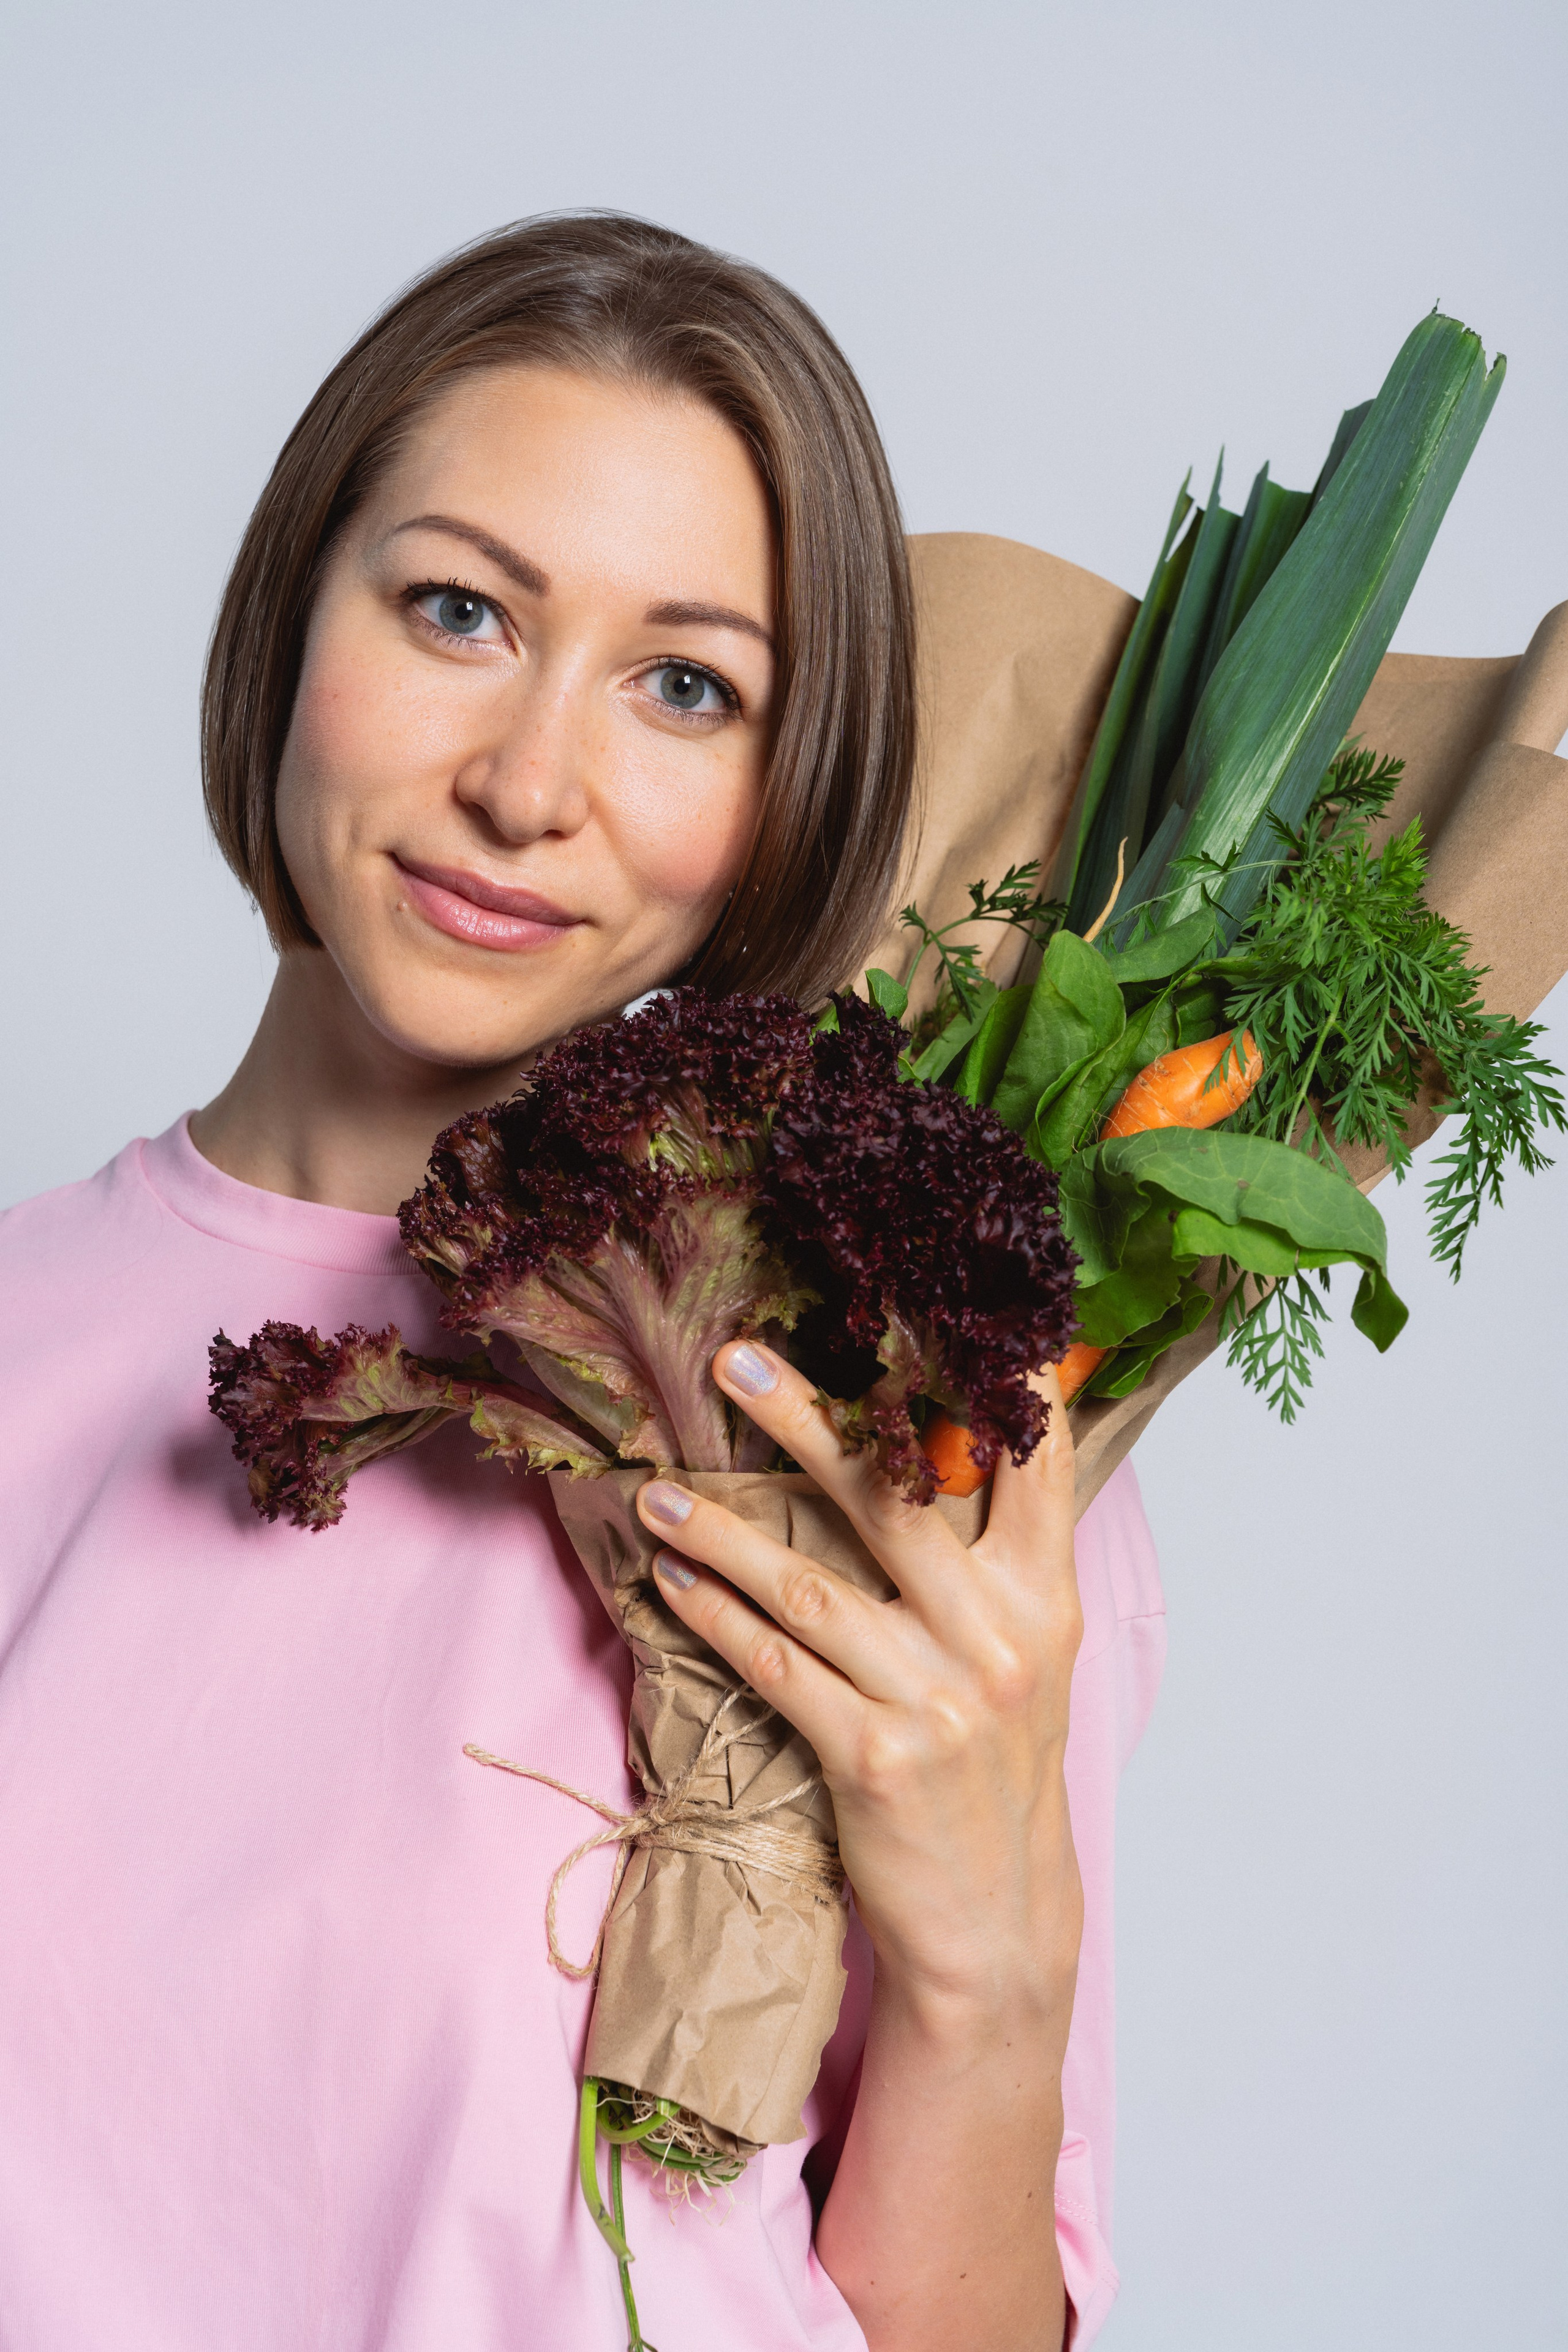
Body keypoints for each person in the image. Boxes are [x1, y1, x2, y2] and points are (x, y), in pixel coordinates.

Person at [0, 214, 1164, 2351]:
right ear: (289, 620)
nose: (529, 787)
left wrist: (997, 1967)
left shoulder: (880, 1429)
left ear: (785, 800)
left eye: (686, 686)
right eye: (459, 608)